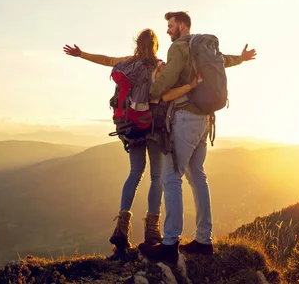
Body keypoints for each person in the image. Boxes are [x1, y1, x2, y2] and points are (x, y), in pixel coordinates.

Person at [63, 28, 200, 256]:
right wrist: (191, 86)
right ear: (155, 45)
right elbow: (166, 94)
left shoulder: (127, 63)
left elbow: (106, 60)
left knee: (134, 173)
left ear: (137, 44)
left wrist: (82, 54)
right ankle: (152, 232)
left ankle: (121, 227)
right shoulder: (159, 66)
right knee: (156, 177)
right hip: (154, 127)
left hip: (130, 127)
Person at [138, 11, 256, 265]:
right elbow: (224, 61)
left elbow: (168, 77)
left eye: (170, 26)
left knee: (171, 177)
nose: (168, 31)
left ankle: (169, 244)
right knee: (197, 175)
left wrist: (150, 95)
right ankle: (204, 240)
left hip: (184, 117)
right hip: (205, 120)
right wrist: (242, 59)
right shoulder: (203, 50)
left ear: (181, 25)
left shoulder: (180, 48)